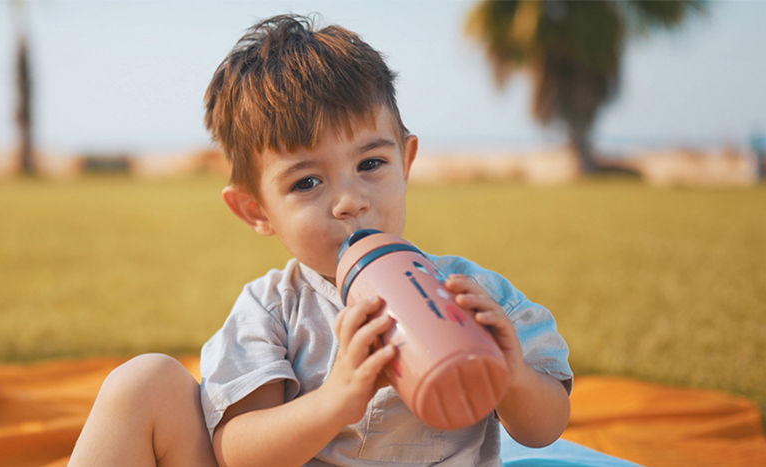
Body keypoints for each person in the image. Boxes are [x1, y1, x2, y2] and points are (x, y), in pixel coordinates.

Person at [70, 14, 572, 467]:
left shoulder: (473, 294)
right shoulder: (273, 310)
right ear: (256, 210)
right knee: (144, 382)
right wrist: (336, 399)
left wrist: (510, 374)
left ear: (406, 162)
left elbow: (543, 429)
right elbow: (237, 452)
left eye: (371, 164)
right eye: (306, 182)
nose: (349, 201)